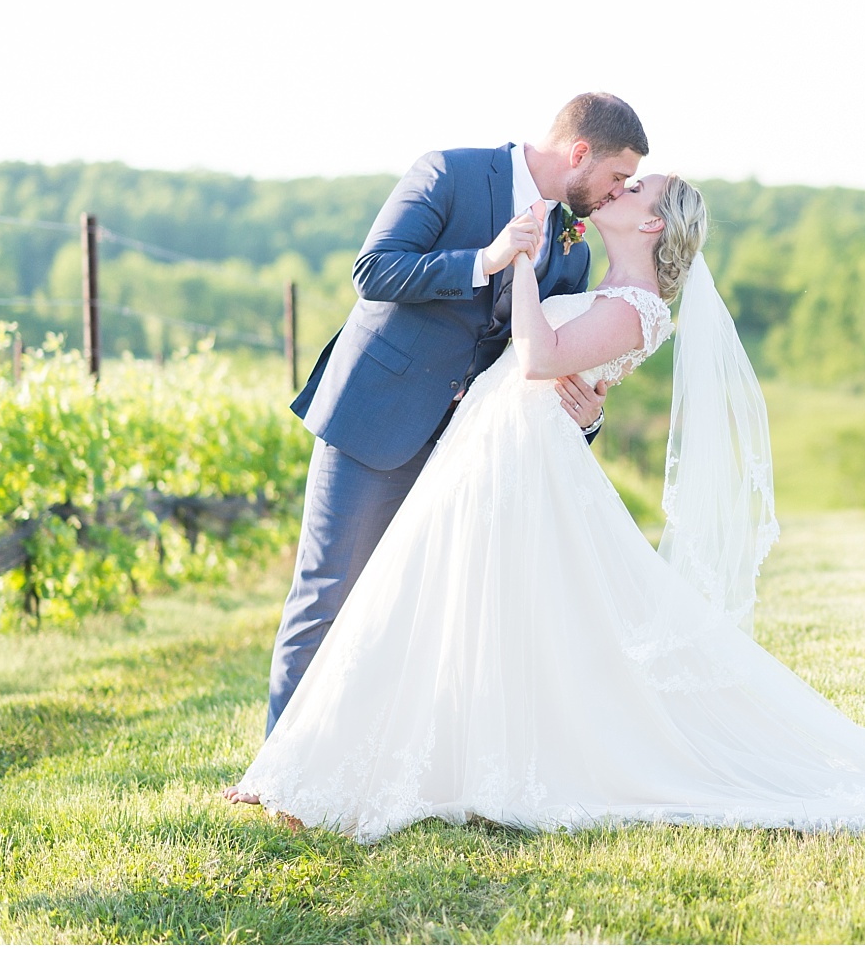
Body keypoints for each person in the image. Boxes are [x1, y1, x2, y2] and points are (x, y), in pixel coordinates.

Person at [230, 172, 865, 841]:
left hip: (520, 462)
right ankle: (385, 753)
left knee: (504, 607)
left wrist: (520, 261)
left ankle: (435, 761)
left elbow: (537, 354)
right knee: (458, 605)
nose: (617, 191)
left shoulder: (636, 302)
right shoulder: (603, 279)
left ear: (652, 224)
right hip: (499, 454)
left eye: (636, 190)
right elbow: (536, 366)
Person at [244, 93, 650, 773]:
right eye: (615, 177)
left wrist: (589, 417)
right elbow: (373, 270)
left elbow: (538, 362)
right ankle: (278, 770)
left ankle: (375, 765)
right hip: (378, 417)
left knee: (421, 609)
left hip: (467, 449)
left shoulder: (573, 250)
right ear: (579, 153)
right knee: (327, 595)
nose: (615, 195)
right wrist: (484, 259)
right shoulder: (449, 173)